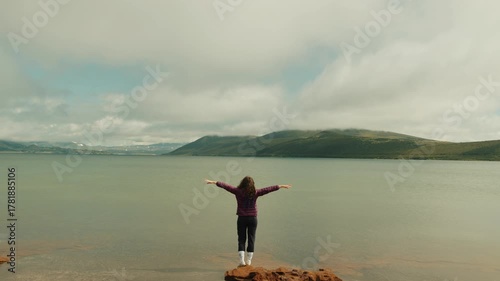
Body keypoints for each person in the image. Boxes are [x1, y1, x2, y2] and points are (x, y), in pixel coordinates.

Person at [205, 176, 291, 266]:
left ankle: (242, 261)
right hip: (253, 218)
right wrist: (280, 186)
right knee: (251, 239)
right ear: (252, 184)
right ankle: (249, 261)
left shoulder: (237, 191)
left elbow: (226, 186)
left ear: (242, 183)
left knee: (241, 239)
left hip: (242, 218)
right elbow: (268, 189)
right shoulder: (256, 192)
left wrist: (213, 182)